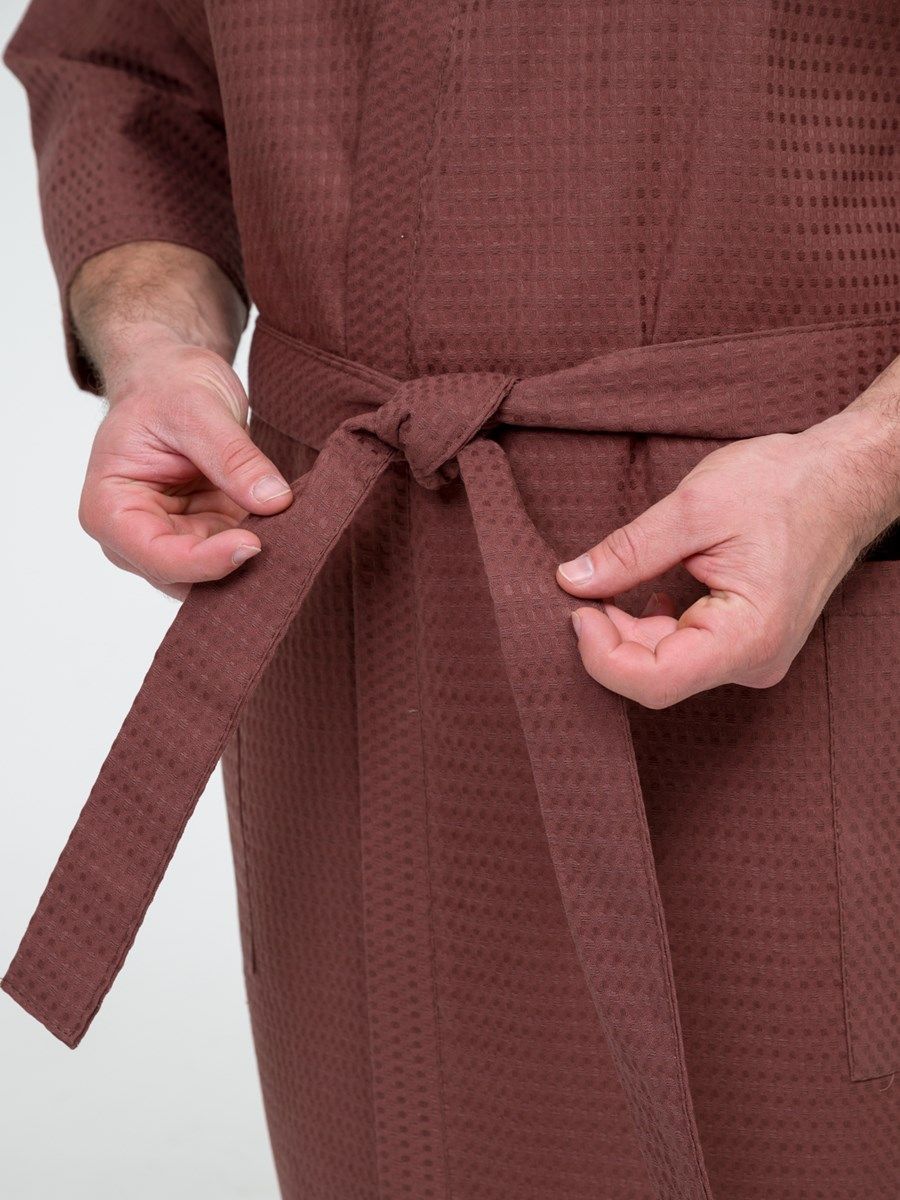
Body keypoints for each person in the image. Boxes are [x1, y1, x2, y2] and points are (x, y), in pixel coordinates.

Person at [3, 2, 898, 1197]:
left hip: (805, 590)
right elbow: (126, 59)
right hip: (357, 603)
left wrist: (859, 469)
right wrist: (160, 347)